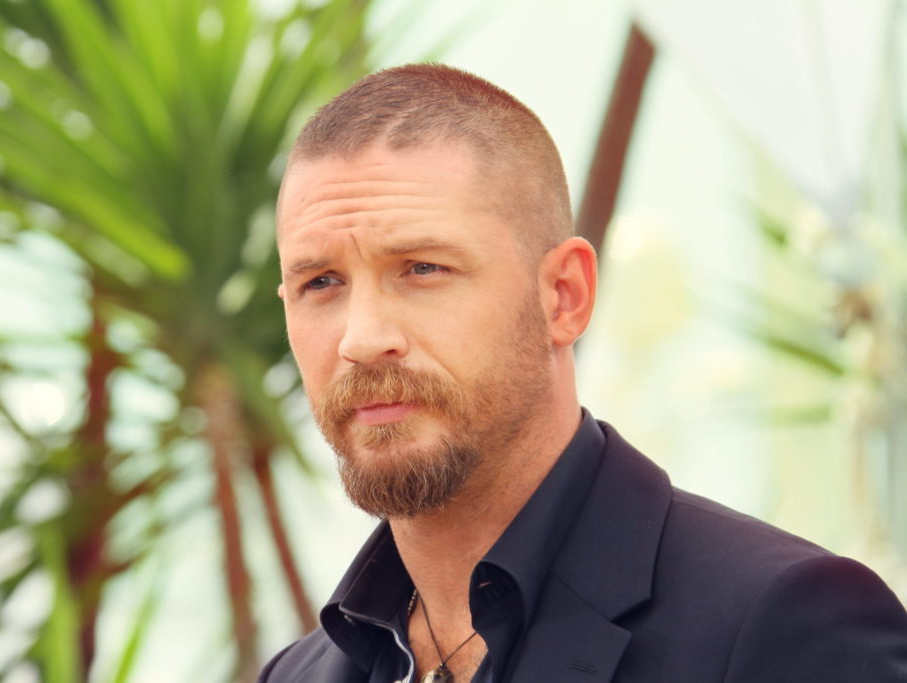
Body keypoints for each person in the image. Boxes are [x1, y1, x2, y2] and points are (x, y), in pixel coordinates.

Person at [259, 63, 907, 682]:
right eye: (321, 282)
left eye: (423, 268)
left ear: (564, 296)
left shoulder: (787, 623)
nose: (363, 339)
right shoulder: (294, 675)